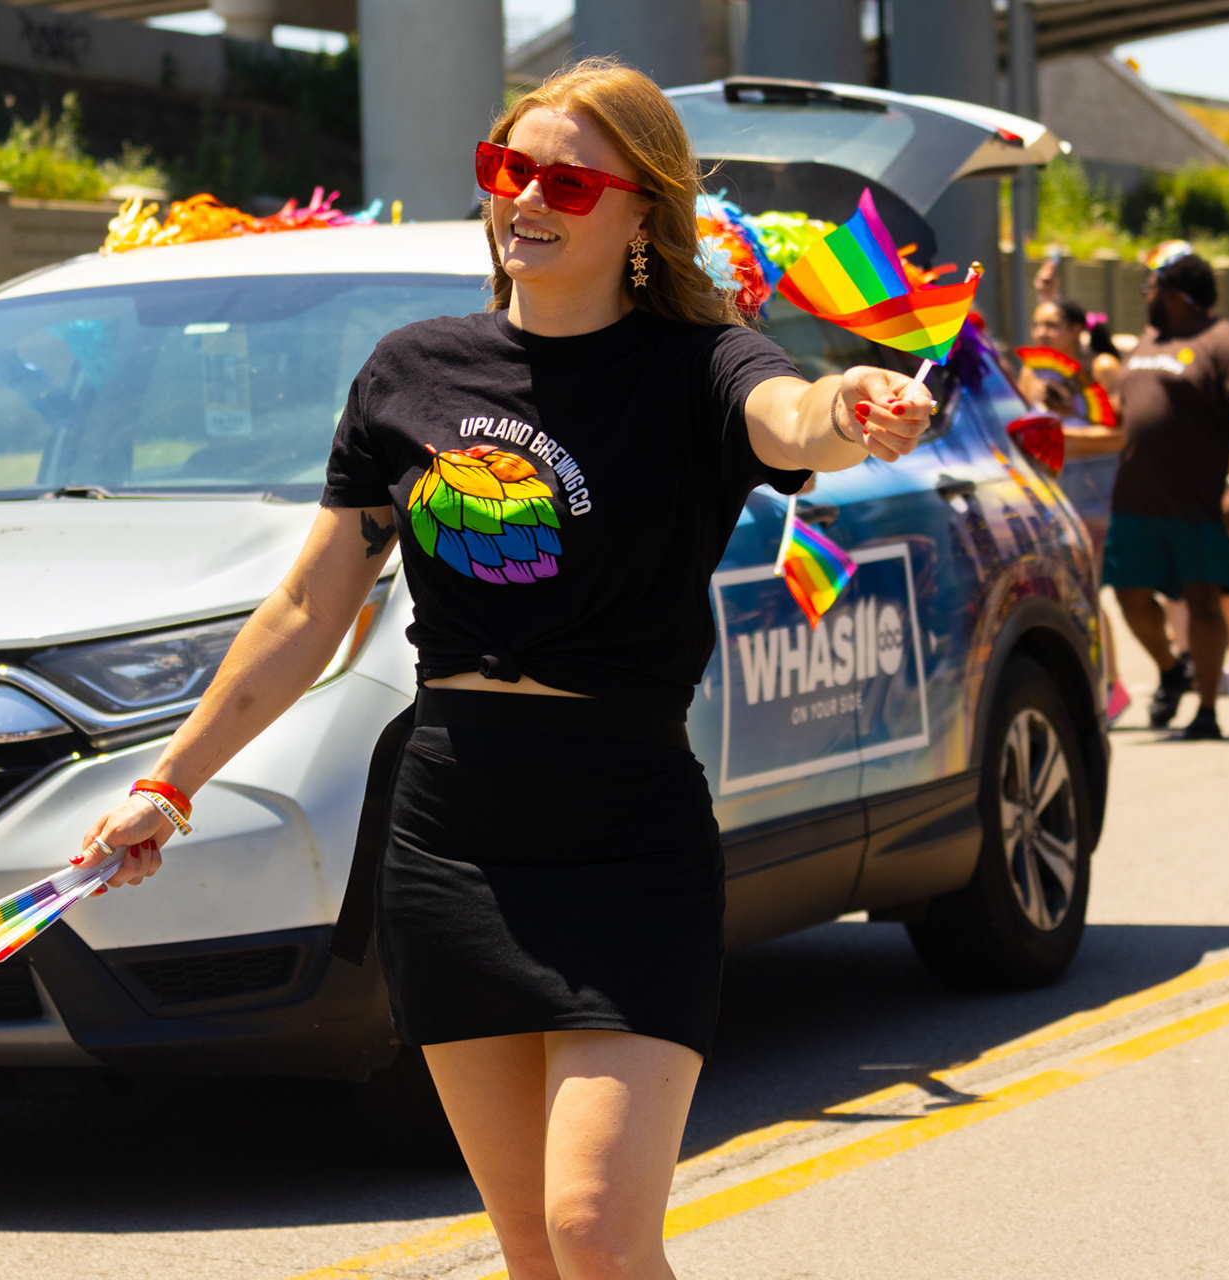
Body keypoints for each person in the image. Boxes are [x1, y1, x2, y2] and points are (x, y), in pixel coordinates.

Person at [75, 59, 933, 1280]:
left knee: (596, 1228)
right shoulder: (410, 371)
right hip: (451, 831)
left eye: (567, 180)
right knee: (533, 1249)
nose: (526, 197)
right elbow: (310, 606)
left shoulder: (699, 366)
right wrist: (167, 783)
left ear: (644, 208)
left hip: (626, 832)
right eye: (506, 169)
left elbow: (793, 418)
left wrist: (854, 401)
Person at [1102, 241, 1229, 739]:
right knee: (1129, 595)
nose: (1145, 294)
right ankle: (1173, 672)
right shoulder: (1147, 341)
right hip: (1136, 501)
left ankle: (1208, 711)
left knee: (1203, 604)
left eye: (1151, 285)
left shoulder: (1224, 341)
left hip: (1199, 502)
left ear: (1176, 293)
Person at [1020, 261, 1130, 720]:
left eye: (1054, 325)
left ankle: (1112, 685)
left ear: (1076, 331)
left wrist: (1061, 440)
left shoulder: (1102, 368)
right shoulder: (1031, 371)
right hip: (1049, 491)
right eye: (1038, 324)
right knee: (1063, 593)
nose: (1043, 334)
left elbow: (1121, 433)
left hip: (1095, 492)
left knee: (1088, 592)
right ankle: (1100, 683)